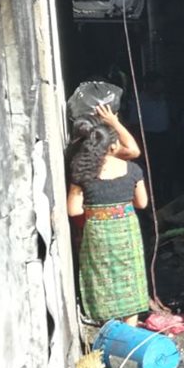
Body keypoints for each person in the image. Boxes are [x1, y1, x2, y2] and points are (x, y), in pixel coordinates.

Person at [66, 114, 149, 326]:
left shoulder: (82, 170)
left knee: (102, 278)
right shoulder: (132, 169)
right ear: (113, 146)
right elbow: (142, 203)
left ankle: (109, 329)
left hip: (98, 232)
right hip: (126, 230)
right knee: (130, 277)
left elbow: (74, 210)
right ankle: (129, 332)